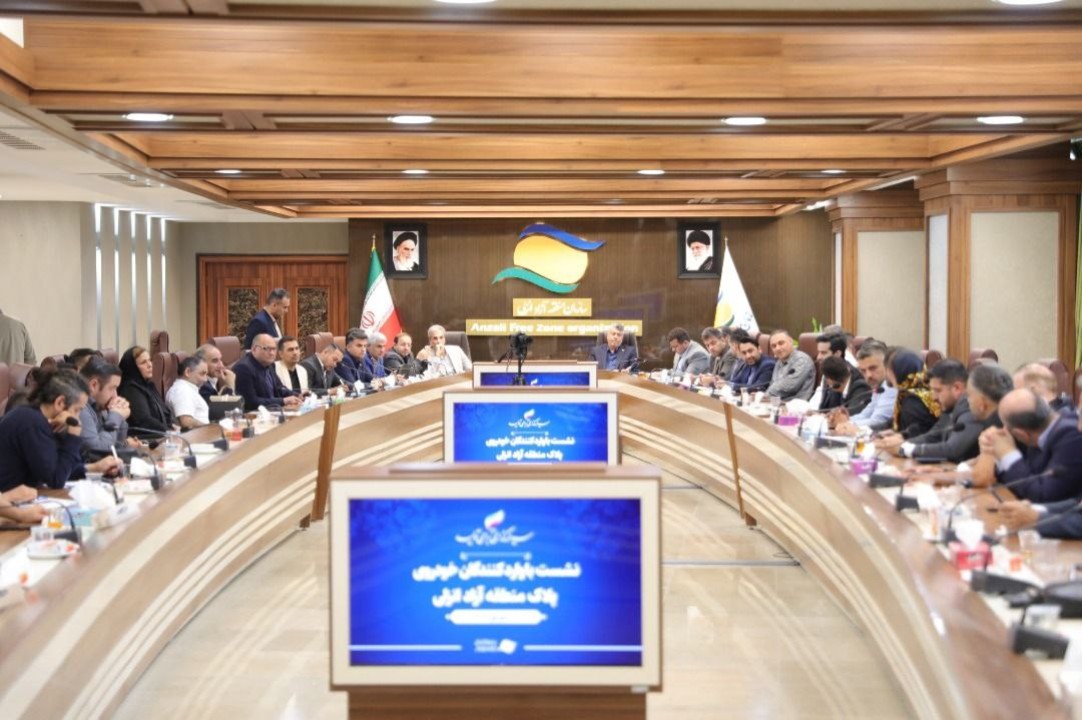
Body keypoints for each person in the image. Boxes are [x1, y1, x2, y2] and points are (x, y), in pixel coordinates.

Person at [0, 368, 121, 492]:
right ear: (60, 403)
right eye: (77, 410)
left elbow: (59, 467)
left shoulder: (41, 418)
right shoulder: (31, 423)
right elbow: (56, 479)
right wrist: (73, 436)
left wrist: (95, 467)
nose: (78, 418)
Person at [977, 388, 1082, 503]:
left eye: (1006, 427)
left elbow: (1043, 495)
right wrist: (993, 451)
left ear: (1020, 434)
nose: (1004, 430)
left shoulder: (1072, 435)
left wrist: (1008, 454)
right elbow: (1019, 479)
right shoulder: (1038, 431)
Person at [878, 360, 991, 463]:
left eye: (938, 390)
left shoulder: (971, 407)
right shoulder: (950, 407)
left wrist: (905, 449)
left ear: (957, 388)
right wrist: (902, 442)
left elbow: (952, 449)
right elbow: (933, 436)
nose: (934, 397)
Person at [832, 341, 897, 434]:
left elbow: (878, 422)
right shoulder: (879, 386)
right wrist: (845, 421)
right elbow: (865, 414)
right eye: (863, 371)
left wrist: (846, 424)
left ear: (887, 365)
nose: (868, 375)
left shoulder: (890, 387)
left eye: (873, 368)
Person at [77, 359, 133, 460]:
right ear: (93, 385)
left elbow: (116, 447)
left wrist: (121, 418)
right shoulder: (79, 408)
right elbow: (98, 453)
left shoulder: (101, 405)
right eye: (112, 388)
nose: (115, 395)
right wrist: (116, 417)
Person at [118, 346, 176, 441]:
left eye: (149, 360)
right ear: (133, 368)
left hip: (161, 435)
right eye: (143, 362)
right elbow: (144, 420)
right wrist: (168, 431)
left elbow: (165, 412)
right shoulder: (130, 389)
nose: (150, 365)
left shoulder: (149, 385)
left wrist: (173, 427)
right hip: (143, 439)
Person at [233, 333, 302, 412]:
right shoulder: (243, 368)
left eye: (274, 349)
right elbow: (250, 402)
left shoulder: (269, 364)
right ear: (254, 349)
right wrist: (283, 401)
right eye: (267, 349)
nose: (272, 353)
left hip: (272, 412)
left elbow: (279, 389)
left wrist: (297, 395)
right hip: (253, 415)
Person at [884, 349, 940, 438]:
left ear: (899, 371)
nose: (886, 373)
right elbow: (893, 423)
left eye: (890, 369)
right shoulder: (919, 391)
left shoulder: (912, 402)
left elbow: (914, 436)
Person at [766, 331, 816, 401]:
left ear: (791, 341)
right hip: (778, 403)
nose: (777, 348)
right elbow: (773, 384)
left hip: (795, 404)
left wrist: (766, 395)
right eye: (774, 346)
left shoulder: (801, 360)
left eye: (781, 343)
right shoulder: (779, 362)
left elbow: (789, 387)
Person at [166, 356, 211, 429]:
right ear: (188, 372)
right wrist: (212, 428)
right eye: (202, 374)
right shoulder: (182, 391)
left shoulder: (186, 389)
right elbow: (186, 422)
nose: (205, 379)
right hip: (196, 435)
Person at [808, 333, 849, 409]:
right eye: (818, 352)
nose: (818, 357)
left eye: (823, 353)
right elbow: (820, 399)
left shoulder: (848, 375)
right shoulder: (828, 370)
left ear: (837, 354)